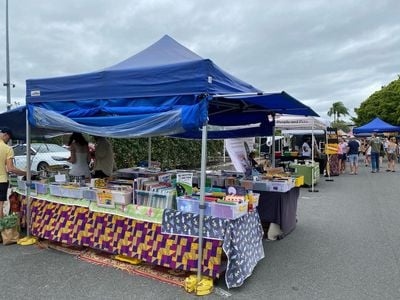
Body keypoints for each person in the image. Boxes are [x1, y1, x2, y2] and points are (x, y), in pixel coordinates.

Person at [0, 128, 26, 219]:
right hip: (1, 180)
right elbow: (11, 168)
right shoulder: (7, 148)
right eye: (9, 138)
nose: (8, 140)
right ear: (5, 135)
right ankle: (2, 230)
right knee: (0, 206)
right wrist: (26, 173)